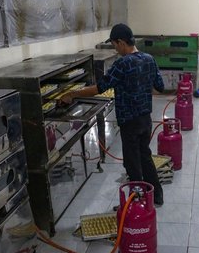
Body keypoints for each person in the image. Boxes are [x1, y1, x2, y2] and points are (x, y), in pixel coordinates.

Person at [61, 23, 165, 206]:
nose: (115, 49)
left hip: (129, 122)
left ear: (121, 42)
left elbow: (99, 88)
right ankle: (157, 196)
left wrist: (73, 93)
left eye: (115, 45)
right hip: (145, 119)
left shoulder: (122, 63)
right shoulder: (149, 59)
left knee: (132, 163)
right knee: (145, 156)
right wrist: (141, 85)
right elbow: (160, 87)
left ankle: (137, 202)